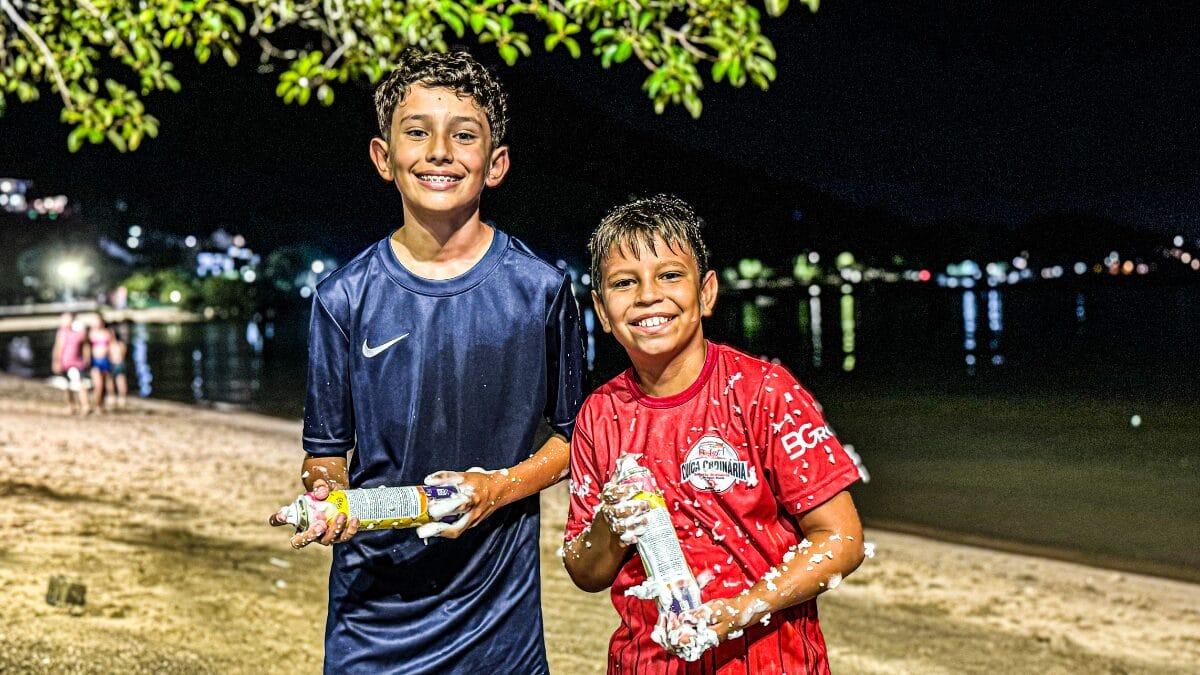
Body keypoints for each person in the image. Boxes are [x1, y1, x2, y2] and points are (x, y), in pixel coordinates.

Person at [271, 49, 586, 673]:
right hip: (372, 613)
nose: (440, 151)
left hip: (499, 620)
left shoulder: (543, 291)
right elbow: (327, 450)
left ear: (494, 164)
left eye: (463, 135)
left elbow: (578, 441)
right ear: (383, 158)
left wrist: (499, 489)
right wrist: (327, 496)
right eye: (417, 132)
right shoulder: (342, 298)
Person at [562, 195, 867, 673]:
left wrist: (741, 609)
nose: (647, 295)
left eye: (669, 275)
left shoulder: (764, 393)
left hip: (771, 662)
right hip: (647, 663)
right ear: (601, 310)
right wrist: (611, 524)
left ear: (706, 293)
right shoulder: (600, 416)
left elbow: (841, 539)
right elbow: (584, 570)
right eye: (624, 283)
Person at [50, 312, 91, 415]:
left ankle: (85, 405)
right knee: (66, 386)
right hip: (64, 363)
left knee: (80, 384)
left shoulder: (79, 332)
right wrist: (56, 361)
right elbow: (58, 348)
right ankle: (71, 405)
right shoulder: (61, 333)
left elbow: (86, 345)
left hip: (76, 363)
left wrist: (87, 357)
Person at [88, 314, 114, 412]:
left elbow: (112, 346)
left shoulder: (108, 333)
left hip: (106, 360)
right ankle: (97, 404)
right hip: (95, 361)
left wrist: (115, 359)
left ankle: (100, 404)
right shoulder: (90, 334)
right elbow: (86, 348)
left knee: (103, 384)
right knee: (98, 384)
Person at [107, 321, 130, 409]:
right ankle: (115, 397)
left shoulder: (116, 344)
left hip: (117, 364)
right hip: (116, 363)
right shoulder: (119, 344)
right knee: (114, 381)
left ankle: (119, 397)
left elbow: (121, 355)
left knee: (119, 382)